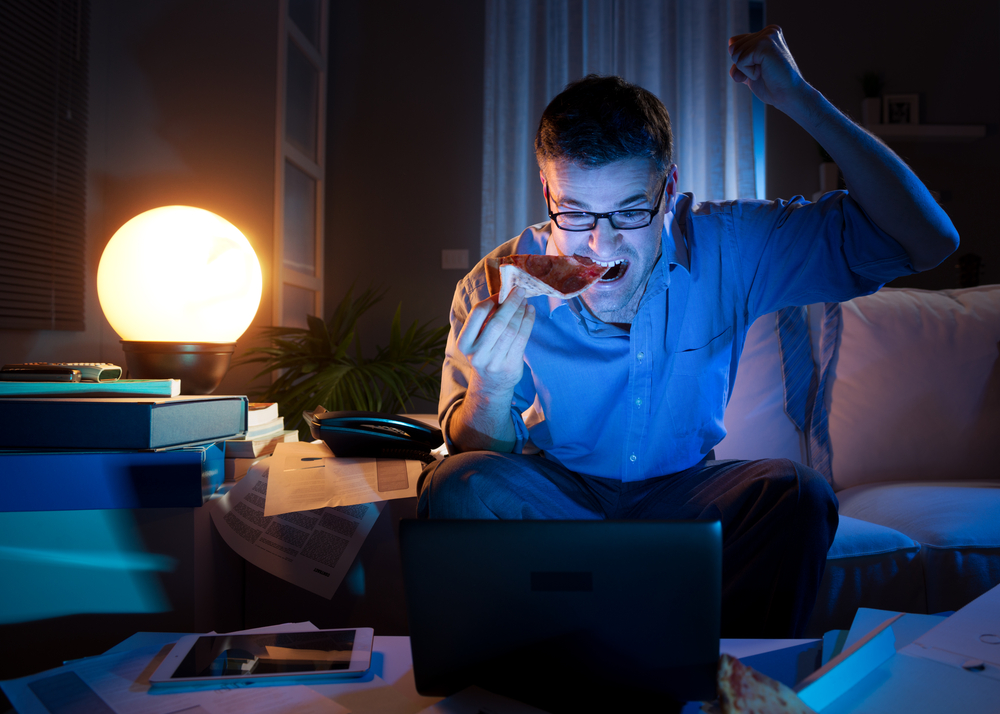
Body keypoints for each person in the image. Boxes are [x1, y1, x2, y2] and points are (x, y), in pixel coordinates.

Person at [417, 25, 958, 637]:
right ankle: (547, 674)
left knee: (798, 494)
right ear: (547, 192)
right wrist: (490, 387)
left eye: (629, 210)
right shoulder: (493, 282)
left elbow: (927, 240)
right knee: (457, 485)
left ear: (668, 189)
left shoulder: (732, 244)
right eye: (574, 212)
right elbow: (474, 459)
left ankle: (726, 685)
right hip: (559, 496)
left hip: (686, 495)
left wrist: (801, 98)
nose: (601, 242)